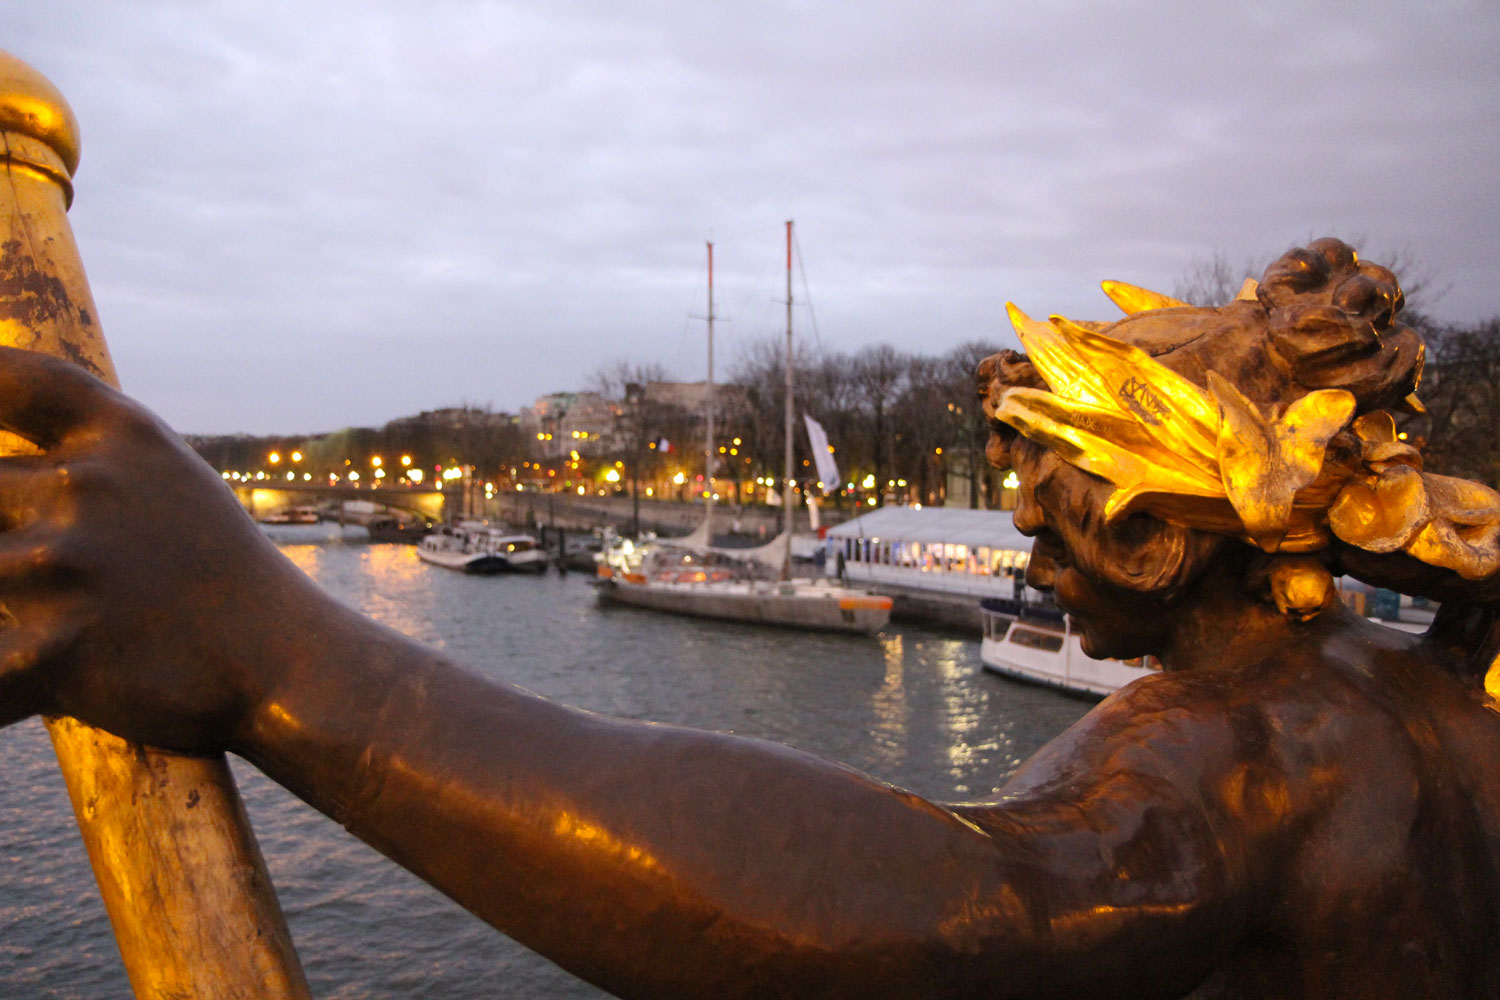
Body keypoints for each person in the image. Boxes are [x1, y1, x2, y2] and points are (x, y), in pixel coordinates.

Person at [1, 239, 1498, 999]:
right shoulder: (1426, 692)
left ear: (1170, 536)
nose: (1027, 542)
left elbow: (953, 912)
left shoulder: (1248, 746)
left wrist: (281, 660)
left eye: (1054, 508)